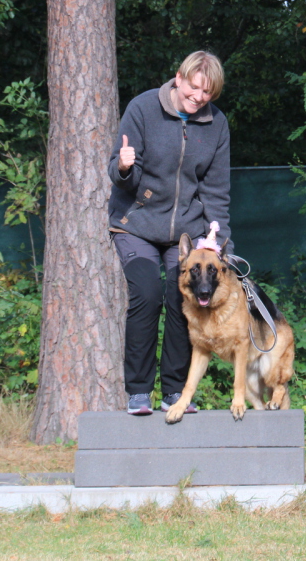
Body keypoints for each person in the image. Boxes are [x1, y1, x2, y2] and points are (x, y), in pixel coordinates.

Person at [107, 51, 232, 415]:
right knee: (147, 293)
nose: (199, 97)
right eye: (194, 88)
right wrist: (124, 168)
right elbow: (120, 175)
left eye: (207, 93)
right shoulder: (143, 108)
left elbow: (216, 192)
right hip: (136, 225)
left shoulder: (217, 124)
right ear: (179, 78)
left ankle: (174, 392)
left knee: (186, 297)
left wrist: (222, 244)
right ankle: (138, 392)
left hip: (186, 234)